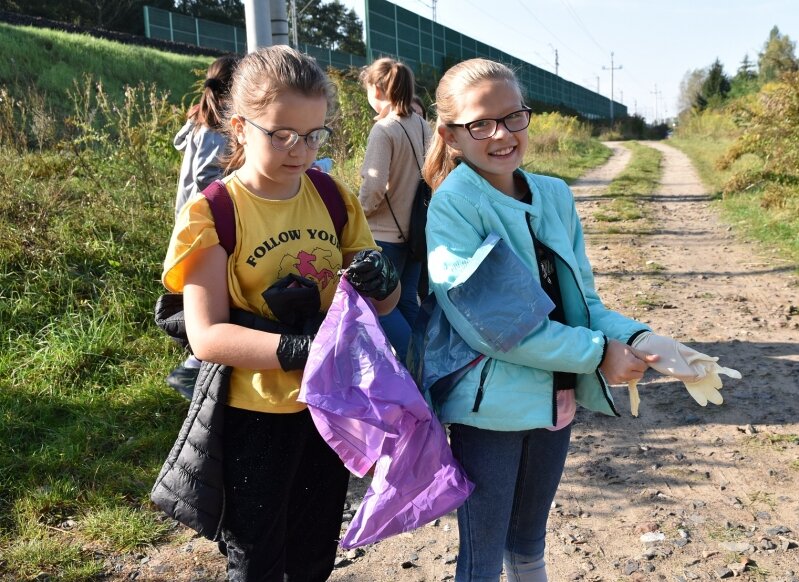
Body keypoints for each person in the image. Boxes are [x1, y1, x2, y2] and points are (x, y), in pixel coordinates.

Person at [161, 45, 400, 581]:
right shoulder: (214, 213)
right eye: (283, 134)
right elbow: (206, 336)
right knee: (256, 558)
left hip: (328, 410)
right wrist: (302, 350)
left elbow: (383, 305)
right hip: (256, 416)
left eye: (314, 135)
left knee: (315, 552)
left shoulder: (333, 196)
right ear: (241, 127)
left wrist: (384, 284)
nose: (301, 150)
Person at [420, 58, 659, 582]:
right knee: (482, 556)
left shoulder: (554, 194)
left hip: (557, 399)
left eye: (513, 117)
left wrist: (643, 338)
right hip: (491, 414)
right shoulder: (453, 207)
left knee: (529, 542)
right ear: (450, 135)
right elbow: (496, 326)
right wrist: (599, 353)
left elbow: (585, 305)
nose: (501, 135)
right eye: (480, 124)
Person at [166, 53, 239, 398]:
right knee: (214, 299)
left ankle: (199, 363)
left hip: (193, 220)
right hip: (205, 224)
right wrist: (241, 181)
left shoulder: (201, 117)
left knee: (202, 298)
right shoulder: (215, 124)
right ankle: (193, 368)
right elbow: (206, 176)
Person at [358, 57, 432, 362]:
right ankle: (429, 364)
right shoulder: (423, 125)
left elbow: (374, 186)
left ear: (377, 88)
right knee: (406, 303)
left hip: (384, 236)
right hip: (415, 232)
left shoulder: (384, 130)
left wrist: (357, 216)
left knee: (378, 304)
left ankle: (413, 365)